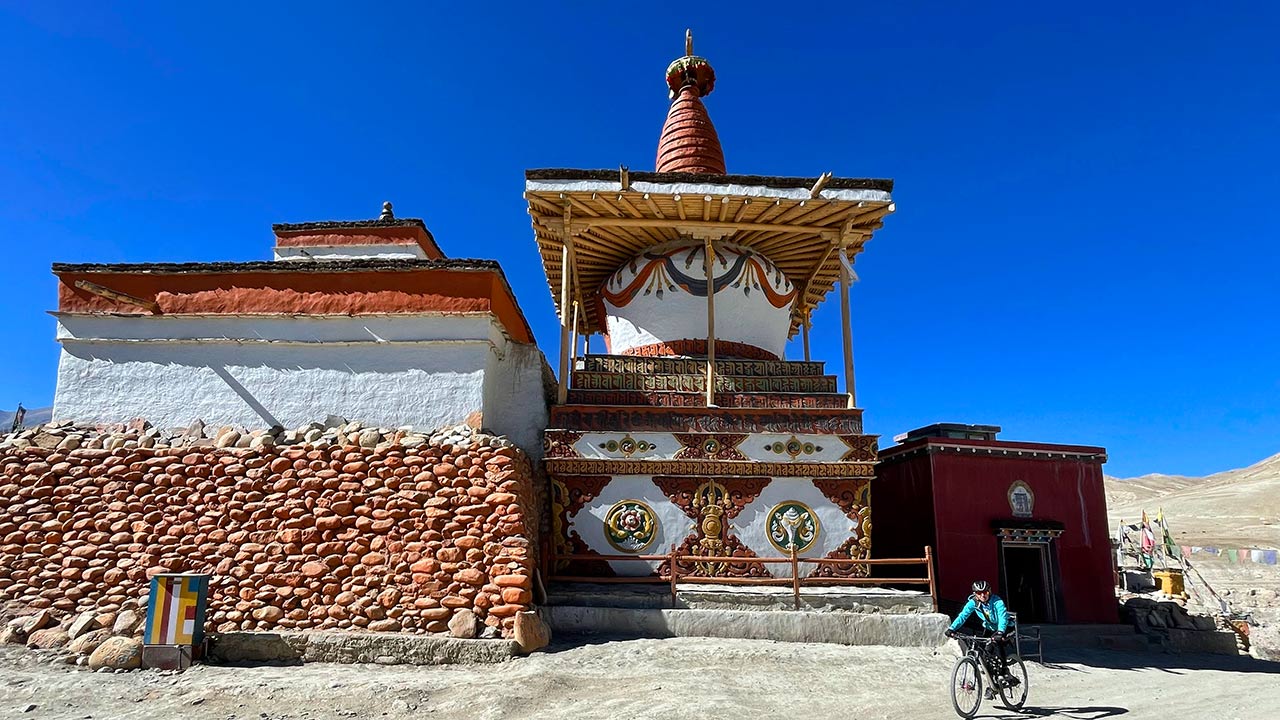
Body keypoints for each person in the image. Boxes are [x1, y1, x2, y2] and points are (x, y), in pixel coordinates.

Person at [945, 580, 1018, 691]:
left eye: (985, 592)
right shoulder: (973, 603)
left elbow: (1002, 616)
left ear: (989, 591)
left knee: (997, 644)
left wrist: (1000, 632)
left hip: (1004, 627)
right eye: (979, 593)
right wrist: (951, 628)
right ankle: (992, 683)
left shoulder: (997, 601)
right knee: (985, 654)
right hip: (989, 628)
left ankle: (1004, 671)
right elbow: (963, 616)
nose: (983, 595)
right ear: (975, 594)